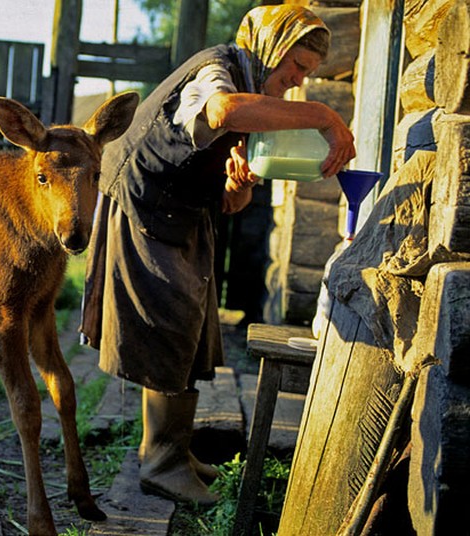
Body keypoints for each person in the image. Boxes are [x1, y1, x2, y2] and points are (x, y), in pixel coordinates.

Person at [80, 4, 356, 505]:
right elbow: (220, 112)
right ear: (270, 47)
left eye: (307, 76)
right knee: (169, 319)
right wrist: (324, 115)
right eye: (294, 66)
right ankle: (161, 463)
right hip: (145, 201)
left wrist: (237, 183)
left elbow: (231, 200)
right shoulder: (218, 71)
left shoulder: (254, 93)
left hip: (183, 211)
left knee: (188, 325)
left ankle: (172, 451)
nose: (296, 82)